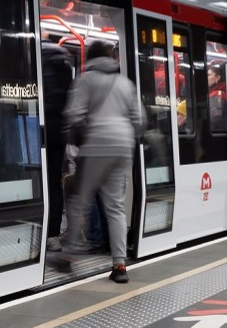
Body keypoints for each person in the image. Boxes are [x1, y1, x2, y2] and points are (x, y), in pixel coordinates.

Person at [60, 41, 143, 283]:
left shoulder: (85, 80)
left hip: (96, 145)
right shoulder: (126, 84)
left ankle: (68, 257)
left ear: (89, 58)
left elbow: (73, 116)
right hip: (123, 147)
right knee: (115, 206)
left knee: (78, 200)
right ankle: (119, 265)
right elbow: (139, 120)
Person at [40, 41, 75, 248]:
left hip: (39, 132)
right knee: (54, 183)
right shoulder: (64, 65)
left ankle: (40, 228)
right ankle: (53, 234)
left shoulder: (37, 60)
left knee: (38, 182)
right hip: (59, 134)